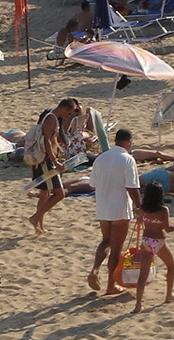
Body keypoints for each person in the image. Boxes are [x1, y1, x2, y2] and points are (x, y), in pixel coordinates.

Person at [87, 128, 140, 295]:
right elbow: (132, 187)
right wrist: (139, 207)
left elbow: (92, 184)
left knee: (106, 241)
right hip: (120, 208)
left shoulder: (101, 158)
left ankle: (95, 269)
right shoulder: (127, 159)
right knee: (116, 249)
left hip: (103, 206)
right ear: (128, 142)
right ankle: (111, 285)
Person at [132, 181, 174, 313]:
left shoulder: (143, 209)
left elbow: (140, 218)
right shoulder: (163, 210)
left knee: (142, 275)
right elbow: (168, 229)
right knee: (171, 266)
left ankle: (138, 305)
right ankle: (168, 296)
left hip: (146, 241)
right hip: (158, 241)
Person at [28, 98, 78, 235]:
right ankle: (35, 218)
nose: (69, 116)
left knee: (45, 193)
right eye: (70, 113)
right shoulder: (51, 118)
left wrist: (59, 151)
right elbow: (46, 141)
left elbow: (51, 139)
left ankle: (39, 225)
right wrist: (54, 161)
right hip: (45, 161)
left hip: (46, 159)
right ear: (64, 109)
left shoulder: (54, 118)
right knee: (59, 194)